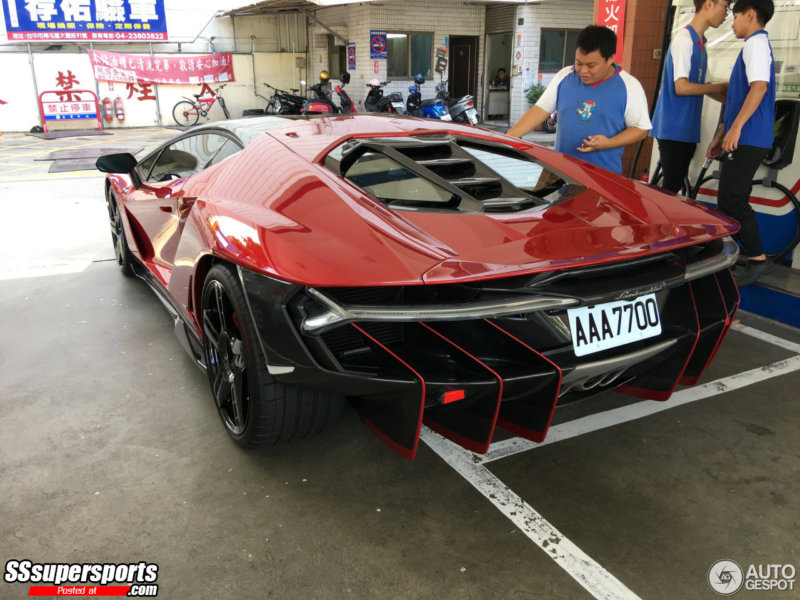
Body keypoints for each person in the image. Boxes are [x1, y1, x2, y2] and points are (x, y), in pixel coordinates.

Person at [507, 25, 650, 174]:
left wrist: (608, 143)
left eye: (591, 65)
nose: (583, 71)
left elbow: (640, 129)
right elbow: (539, 111)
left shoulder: (629, 86)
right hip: (562, 172)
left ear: (610, 59)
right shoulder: (565, 76)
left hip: (603, 177)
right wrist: (507, 138)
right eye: (579, 63)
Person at [706, 0, 775, 286]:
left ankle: (757, 259)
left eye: (735, 16)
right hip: (745, 135)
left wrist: (735, 130)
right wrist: (721, 136)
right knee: (730, 199)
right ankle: (725, 259)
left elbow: (759, 87)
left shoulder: (755, 44)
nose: (731, 22)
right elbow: (737, 99)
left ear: (751, 14)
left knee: (732, 200)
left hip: (748, 136)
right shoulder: (753, 45)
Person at [651, 0, 730, 193]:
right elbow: (682, 87)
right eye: (725, 7)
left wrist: (732, 101)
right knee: (670, 187)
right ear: (709, 4)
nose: (726, 14)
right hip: (673, 128)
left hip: (686, 129)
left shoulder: (700, 44)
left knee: (675, 185)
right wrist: (720, 86)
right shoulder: (684, 40)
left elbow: (707, 88)